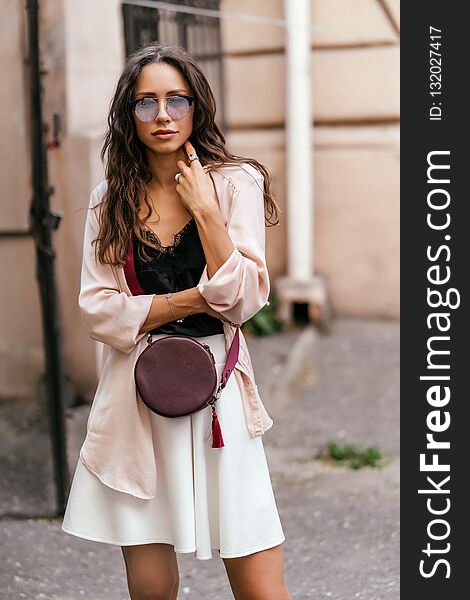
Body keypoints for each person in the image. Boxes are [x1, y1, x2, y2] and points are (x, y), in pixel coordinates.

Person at [61, 42, 292, 600]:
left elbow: (242, 300)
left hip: (218, 396)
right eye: (146, 103)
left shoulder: (235, 183)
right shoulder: (109, 199)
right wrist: (192, 299)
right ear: (128, 115)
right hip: (139, 393)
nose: (162, 115)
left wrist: (207, 211)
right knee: (151, 584)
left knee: (259, 579)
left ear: (196, 107)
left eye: (175, 100)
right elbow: (99, 309)